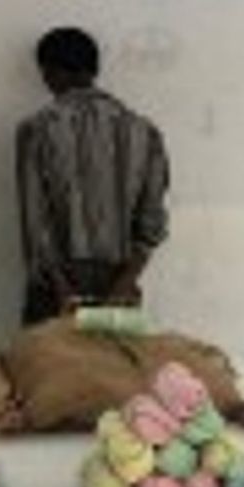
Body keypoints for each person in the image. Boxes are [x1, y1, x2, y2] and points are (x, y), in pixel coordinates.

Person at [16, 27, 169, 324]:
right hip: (121, 276)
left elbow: (37, 222)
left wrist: (63, 292)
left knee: (48, 354)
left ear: (50, 71)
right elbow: (152, 221)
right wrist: (124, 285)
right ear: (94, 69)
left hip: (56, 286)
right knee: (112, 355)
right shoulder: (144, 131)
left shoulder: (38, 129)